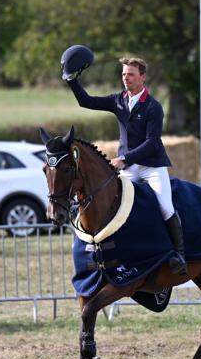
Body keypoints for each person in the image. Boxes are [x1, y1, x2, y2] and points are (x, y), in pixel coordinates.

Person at [61, 48, 187, 275]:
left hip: (151, 166)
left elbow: (152, 143)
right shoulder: (117, 100)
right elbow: (86, 101)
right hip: (128, 167)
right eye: (123, 75)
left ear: (142, 77)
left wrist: (124, 158)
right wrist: (71, 80)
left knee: (165, 207)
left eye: (130, 75)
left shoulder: (153, 106)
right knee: (116, 206)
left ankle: (179, 254)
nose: (125, 79)